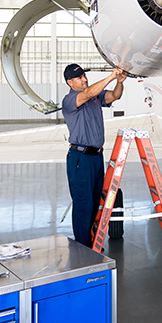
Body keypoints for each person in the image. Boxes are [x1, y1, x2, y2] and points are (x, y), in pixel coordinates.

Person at [62, 63, 127, 246]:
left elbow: (115, 95)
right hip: (80, 160)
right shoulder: (69, 101)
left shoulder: (95, 95)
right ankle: (83, 249)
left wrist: (120, 82)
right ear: (70, 83)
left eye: (84, 76)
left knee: (94, 205)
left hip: (97, 158)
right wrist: (111, 76)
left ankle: (89, 244)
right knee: (83, 205)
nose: (84, 79)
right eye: (79, 77)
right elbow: (87, 94)